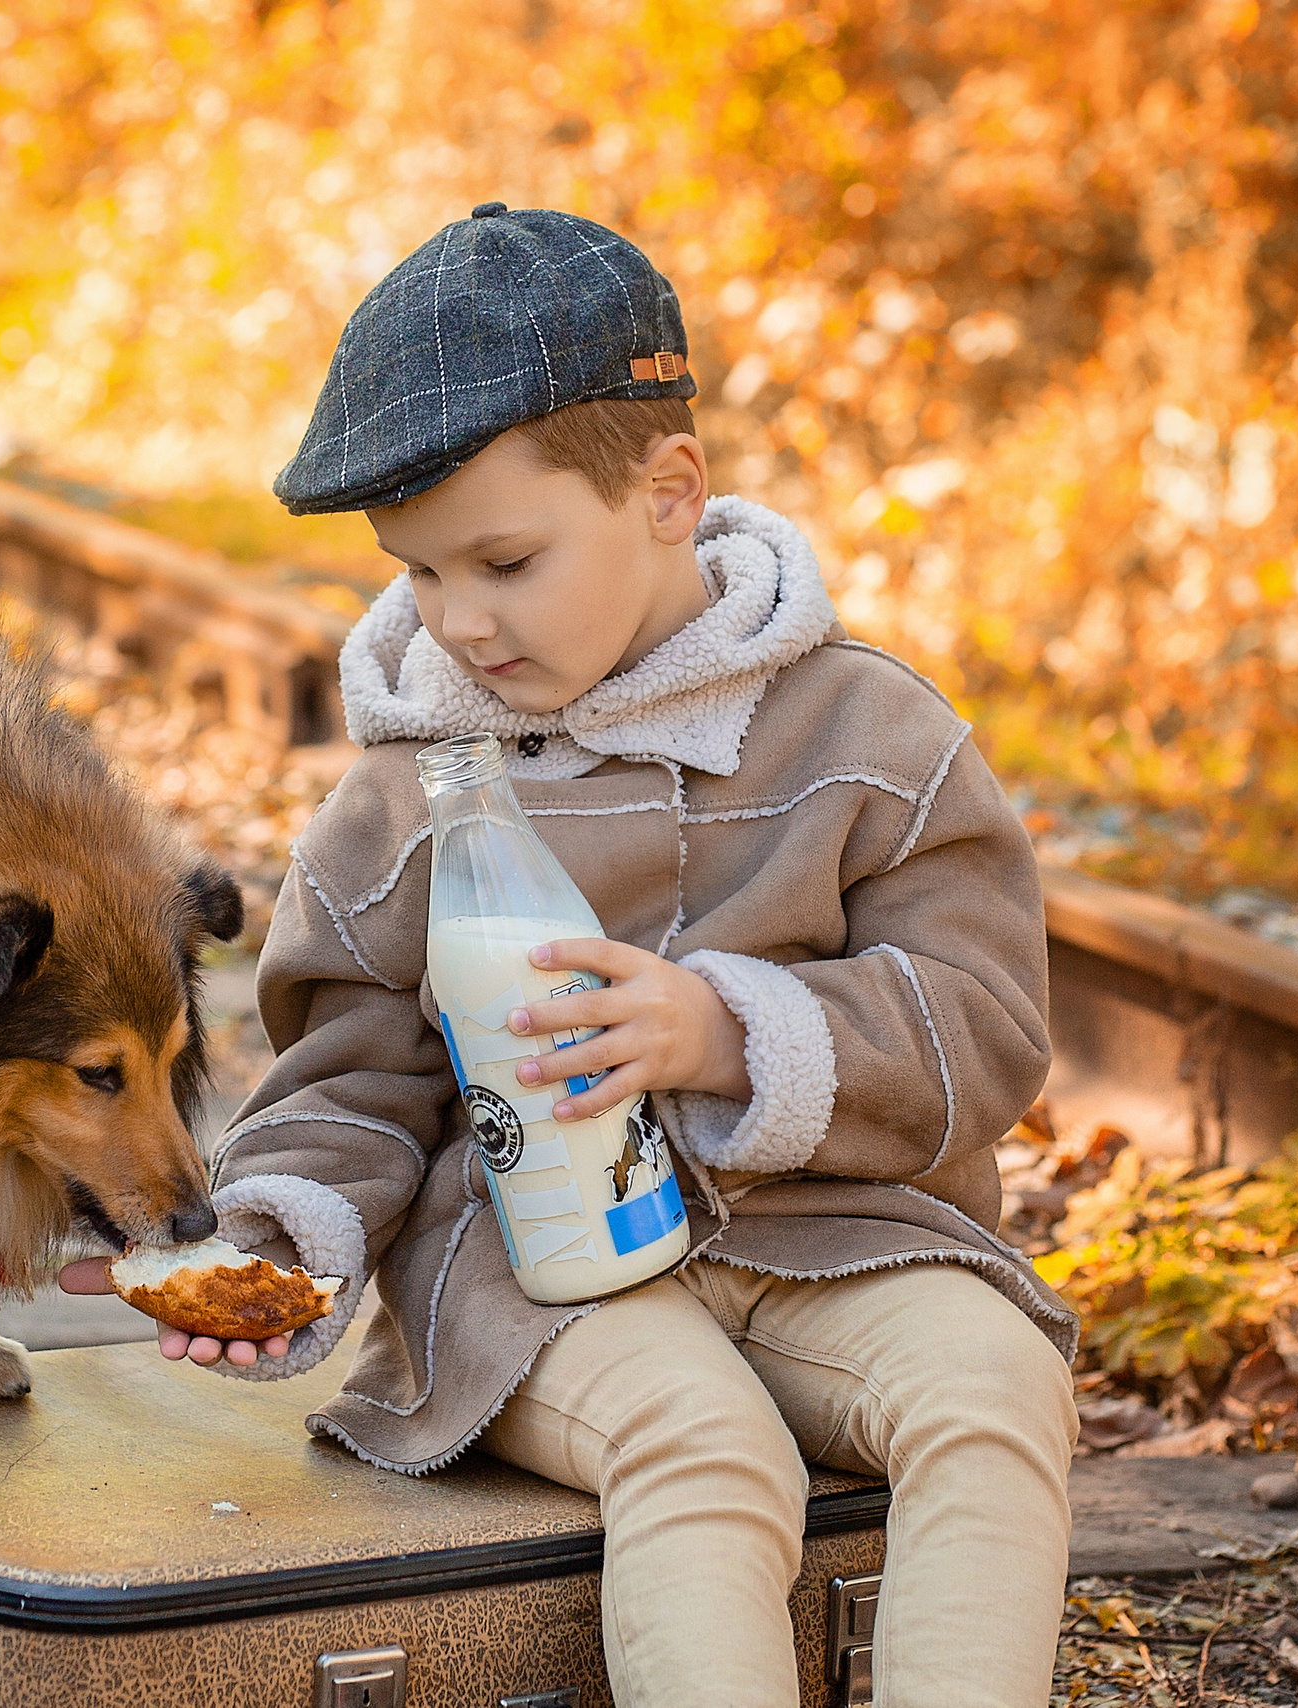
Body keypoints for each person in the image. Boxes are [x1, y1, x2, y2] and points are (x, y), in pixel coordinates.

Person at [64, 204, 1077, 1707]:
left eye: (506, 561)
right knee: (705, 1447)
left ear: (671, 491)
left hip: (836, 1236)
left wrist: (734, 1032)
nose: (460, 623)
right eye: (418, 575)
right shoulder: (403, 796)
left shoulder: (872, 739)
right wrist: (277, 1245)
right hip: (536, 1281)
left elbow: (987, 1025)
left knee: (997, 1389)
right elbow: (349, 1079)